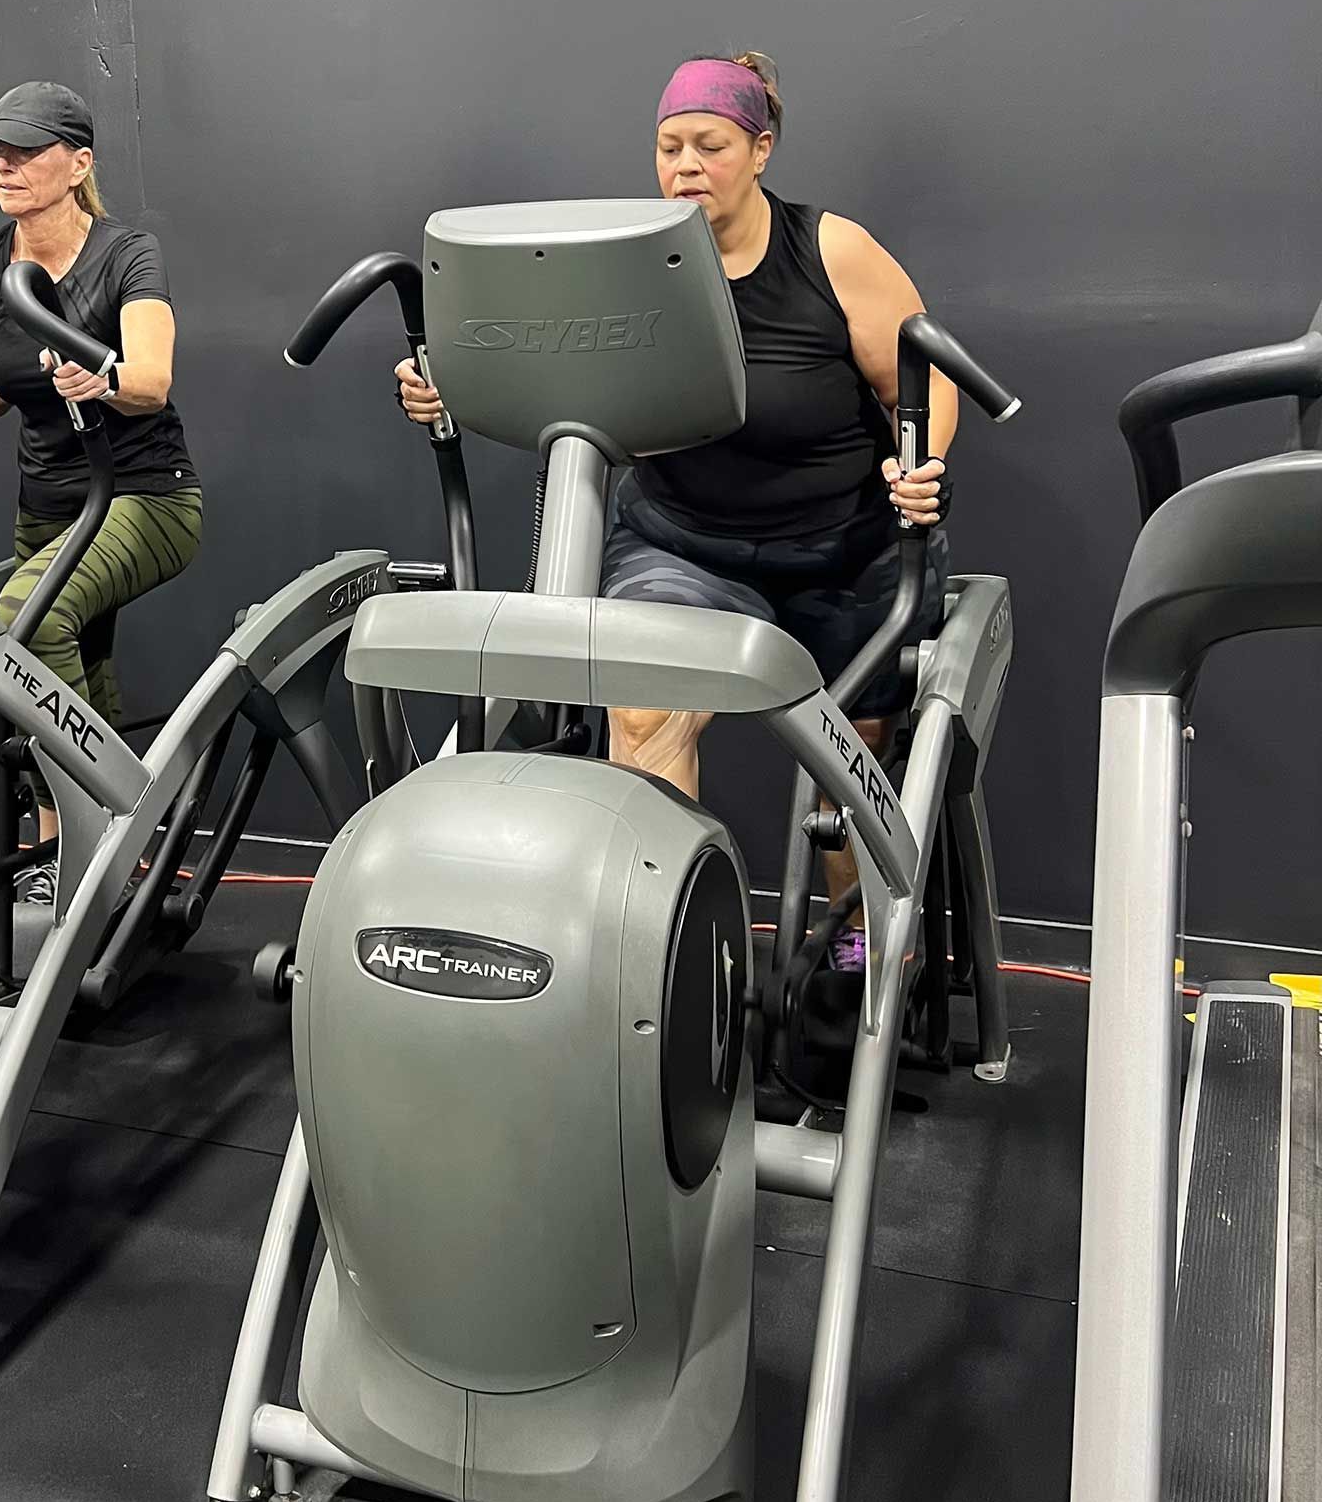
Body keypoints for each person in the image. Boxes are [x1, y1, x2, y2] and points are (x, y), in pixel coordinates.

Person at [394, 53, 952, 971]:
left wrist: (922, 461)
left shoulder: (830, 250)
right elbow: (546, 364)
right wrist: (442, 385)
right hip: (687, 547)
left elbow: (919, 381)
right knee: (644, 711)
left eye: (710, 145)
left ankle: (864, 939)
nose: (686, 165)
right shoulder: (632, 258)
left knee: (857, 751)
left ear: (760, 149)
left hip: (843, 547)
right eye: (669, 147)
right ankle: (670, 946)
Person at [0, 81, 203, 892]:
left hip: (144, 494)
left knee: (27, 622)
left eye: (25, 150)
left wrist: (102, 377)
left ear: (78, 163)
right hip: (48, 504)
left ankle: (79, 838)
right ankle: (122, 837)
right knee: (77, 659)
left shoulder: (128, 254)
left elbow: (152, 380)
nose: (5, 165)